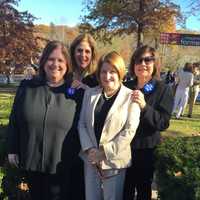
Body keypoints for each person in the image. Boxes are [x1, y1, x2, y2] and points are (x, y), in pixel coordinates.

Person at [7, 41, 84, 200]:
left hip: (62, 165)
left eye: (61, 60)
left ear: (67, 65)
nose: (55, 64)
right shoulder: (27, 87)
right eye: (51, 59)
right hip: (32, 161)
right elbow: (14, 119)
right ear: (43, 62)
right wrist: (12, 148)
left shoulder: (76, 93)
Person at [78, 51, 140, 200]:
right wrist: (90, 150)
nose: (107, 76)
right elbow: (82, 124)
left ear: (120, 73)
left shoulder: (131, 96)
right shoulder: (90, 94)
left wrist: (103, 152)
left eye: (112, 72)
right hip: (91, 160)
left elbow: (129, 131)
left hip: (114, 163)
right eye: (103, 72)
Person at [123, 45, 174, 200]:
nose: (143, 64)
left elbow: (163, 123)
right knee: (124, 190)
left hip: (147, 150)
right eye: (139, 60)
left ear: (155, 63)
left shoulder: (163, 89)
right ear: (133, 64)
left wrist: (145, 106)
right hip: (124, 148)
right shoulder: (126, 87)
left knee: (143, 191)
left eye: (148, 60)